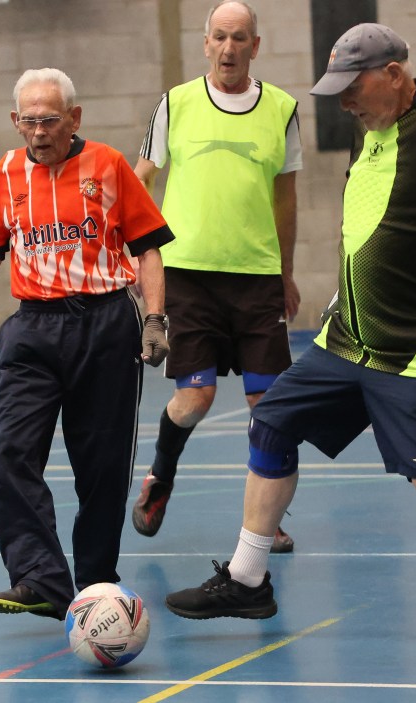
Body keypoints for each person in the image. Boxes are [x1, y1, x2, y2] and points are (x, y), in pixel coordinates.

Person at [164, 23, 416, 657]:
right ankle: (249, 580)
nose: (345, 102)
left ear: (394, 73)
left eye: (353, 87)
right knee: (272, 421)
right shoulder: (371, 138)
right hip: (347, 339)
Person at [0, 68, 174, 621]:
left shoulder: (110, 167)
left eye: (49, 119)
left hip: (106, 324)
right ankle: (40, 577)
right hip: (32, 331)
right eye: (28, 121)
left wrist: (155, 320)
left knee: (103, 468)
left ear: (74, 118)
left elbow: (150, 249)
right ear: (16, 122)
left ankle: (94, 588)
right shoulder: (6, 175)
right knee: (9, 452)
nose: (38, 131)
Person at [131, 0, 302, 553]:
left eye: (240, 38)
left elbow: (286, 199)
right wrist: (134, 258)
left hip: (255, 277)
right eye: (219, 37)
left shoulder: (281, 108)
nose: (229, 48)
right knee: (196, 396)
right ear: (206, 43)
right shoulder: (175, 104)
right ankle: (160, 476)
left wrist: (286, 271)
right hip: (187, 275)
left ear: (256, 45)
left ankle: (265, 519)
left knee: (268, 406)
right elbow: (141, 184)